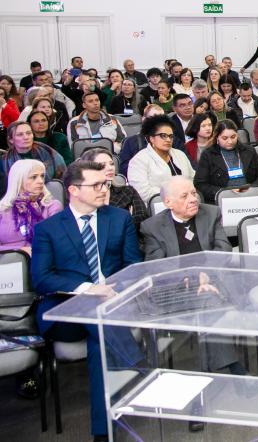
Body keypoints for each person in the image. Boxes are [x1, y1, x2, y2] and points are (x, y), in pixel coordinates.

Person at [31, 160, 145, 441]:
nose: (103, 190)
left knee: (99, 339)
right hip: (64, 311)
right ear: (73, 190)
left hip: (110, 306)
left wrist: (114, 290)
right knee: (99, 315)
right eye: (96, 185)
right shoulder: (48, 229)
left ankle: (102, 431)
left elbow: (133, 266)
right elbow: (42, 279)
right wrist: (86, 288)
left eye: (105, 184)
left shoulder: (118, 218)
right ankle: (140, 365)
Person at [194, 119, 258, 203]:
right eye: (225, 138)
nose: (230, 141)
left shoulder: (249, 151)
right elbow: (200, 184)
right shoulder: (208, 155)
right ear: (217, 137)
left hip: (250, 196)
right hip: (223, 199)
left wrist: (251, 189)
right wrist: (224, 192)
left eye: (233, 137)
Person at [77, 147, 148, 234]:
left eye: (111, 164)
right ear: (88, 169)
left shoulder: (128, 192)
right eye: (102, 165)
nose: (110, 168)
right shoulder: (81, 196)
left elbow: (142, 219)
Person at [128, 114, 195, 204]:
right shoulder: (139, 160)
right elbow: (142, 192)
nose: (168, 139)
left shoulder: (180, 154)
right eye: (163, 135)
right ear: (152, 138)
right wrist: (175, 195)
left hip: (186, 202)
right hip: (157, 206)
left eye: (170, 136)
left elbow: (192, 178)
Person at [0, 159, 63, 253]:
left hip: (42, 259)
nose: (41, 181)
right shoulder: (3, 209)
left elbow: (56, 241)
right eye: (34, 177)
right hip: (8, 262)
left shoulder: (52, 206)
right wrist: (20, 251)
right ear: (19, 180)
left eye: (42, 176)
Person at [0, 121, 67, 196]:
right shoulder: (3, 162)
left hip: (51, 196)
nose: (26, 137)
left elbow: (63, 179)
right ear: (11, 140)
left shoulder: (49, 153)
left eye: (29, 133)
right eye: (20, 135)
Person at [118, 105, 165, 176]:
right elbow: (124, 169)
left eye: (161, 119)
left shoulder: (172, 140)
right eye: (153, 118)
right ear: (143, 119)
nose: (156, 122)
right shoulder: (130, 142)